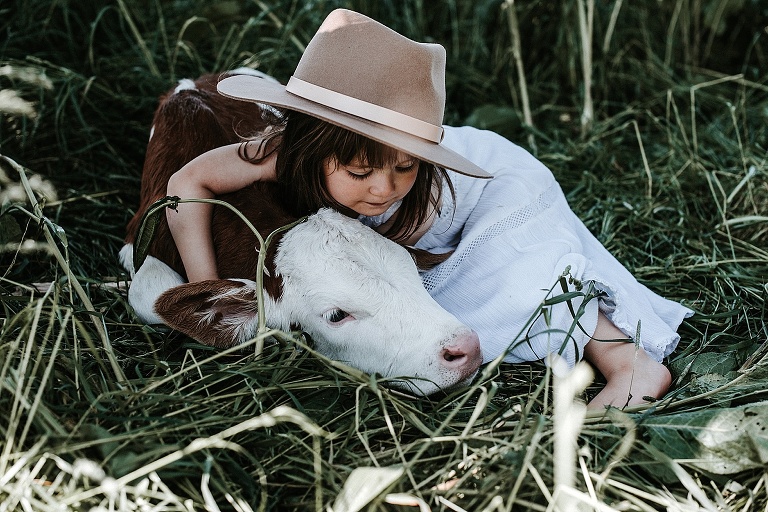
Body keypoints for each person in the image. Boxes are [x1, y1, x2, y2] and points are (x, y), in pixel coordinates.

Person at [165, 8, 693, 409]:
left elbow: (399, 265)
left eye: (405, 166)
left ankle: (629, 364)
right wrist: (204, 285)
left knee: (531, 271)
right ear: (311, 149)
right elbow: (187, 180)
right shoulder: (278, 155)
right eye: (359, 172)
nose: (384, 189)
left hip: (496, 190)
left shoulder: (417, 196)